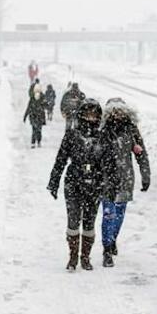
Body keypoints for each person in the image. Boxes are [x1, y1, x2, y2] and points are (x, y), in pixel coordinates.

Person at [49, 99, 114, 272]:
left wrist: (110, 184)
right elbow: (60, 160)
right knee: (73, 220)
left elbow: (109, 164)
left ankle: (85, 257)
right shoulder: (71, 135)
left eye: (94, 115)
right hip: (73, 183)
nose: (90, 118)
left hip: (95, 185)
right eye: (87, 114)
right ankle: (72, 257)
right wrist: (53, 181)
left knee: (89, 223)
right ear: (81, 115)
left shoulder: (103, 137)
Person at [99, 98, 151, 267]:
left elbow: (141, 154)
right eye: (114, 111)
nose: (118, 114)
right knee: (109, 214)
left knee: (119, 215)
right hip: (106, 179)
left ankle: (113, 239)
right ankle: (106, 249)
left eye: (120, 111)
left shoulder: (131, 130)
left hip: (125, 178)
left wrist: (146, 174)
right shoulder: (102, 130)